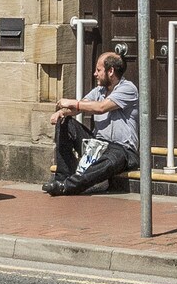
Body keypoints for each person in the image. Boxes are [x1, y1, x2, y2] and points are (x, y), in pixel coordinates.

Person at [44, 50, 140, 196]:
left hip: (122, 149)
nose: (95, 74)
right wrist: (62, 113)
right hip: (97, 145)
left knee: (113, 158)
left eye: (98, 70)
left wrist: (73, 103)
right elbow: (82, 105)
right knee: (65, 123)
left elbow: (101, 108)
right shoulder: (99, 90)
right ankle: (61, 178)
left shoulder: (128, 89)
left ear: (111, 71)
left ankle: (68, 186)